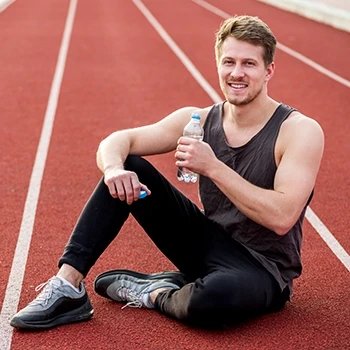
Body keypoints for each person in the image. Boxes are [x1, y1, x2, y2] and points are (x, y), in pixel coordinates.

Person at [10, 14, 324, 330]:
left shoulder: (299, 131)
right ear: (218, 65)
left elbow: (282, 218)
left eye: (249, 64)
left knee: (209, 302)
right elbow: (118, 140)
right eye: (229, 62)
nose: (236, 73)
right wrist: (114, 170)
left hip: (262, 270)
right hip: (207, 245)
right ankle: (68, 285)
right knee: (130, 165)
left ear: (269, 70)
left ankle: (156, 292)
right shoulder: (198, 120)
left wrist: (212, 167)